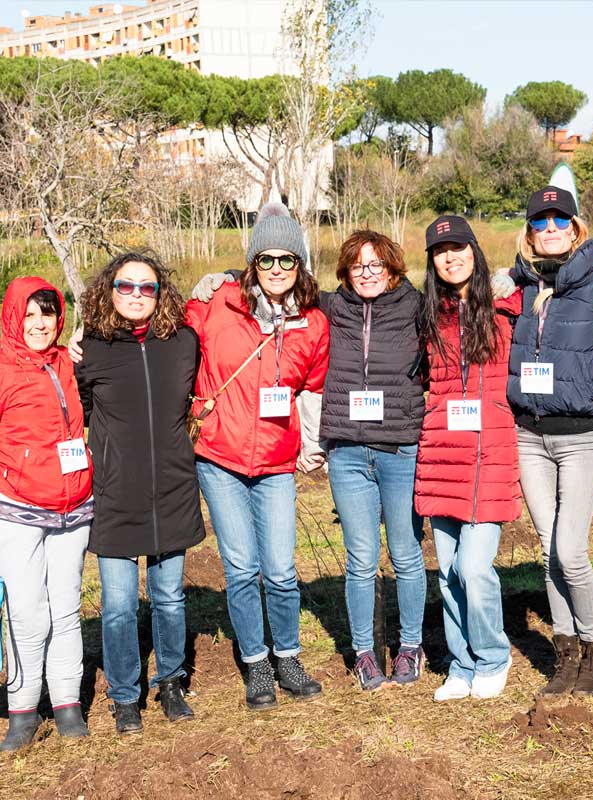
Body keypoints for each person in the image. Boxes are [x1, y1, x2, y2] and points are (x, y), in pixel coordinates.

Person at [186, 203, 329, 710]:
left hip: (275, 459)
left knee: (281, 568)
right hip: (219, 454)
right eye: (264, 259)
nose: (274, 270)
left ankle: (287, 655)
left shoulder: (312, 322)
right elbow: (161, 334)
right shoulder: (218, 303)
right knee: (242, 567)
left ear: (300, 265)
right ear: (250, 263)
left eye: (286, 260)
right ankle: (256, 662)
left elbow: (311, 388)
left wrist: (312, 445)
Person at [74, 252, 205, 735]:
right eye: (125, 286)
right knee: (119, 605)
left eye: (146, 288)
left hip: (172, 486)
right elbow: (75, 411)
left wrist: (219, 280)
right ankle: (125, 695)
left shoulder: (183, 343)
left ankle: (171, 680)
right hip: (115, 494)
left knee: (170, 598)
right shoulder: (90, 348)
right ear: (109, 290)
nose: (135, 296)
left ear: (160, 293)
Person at [501, 185, 593, 696]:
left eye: (558, 221)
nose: (550, 230)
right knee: (547, 552)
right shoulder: (517, 285)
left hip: (580, 436)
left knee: (570, 550)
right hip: (529, 436)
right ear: (529, 231)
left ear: (575, 226)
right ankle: (565, 654)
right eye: (540, 222)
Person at [416, 215, 522, 702]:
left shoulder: (504, 307)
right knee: (450, 571)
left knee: (475, 568)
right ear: (432, 261)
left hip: (489, 453)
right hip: (442, 456)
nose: (450, 256)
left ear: (475, 252)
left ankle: (493, 656)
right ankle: (461, 663)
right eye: (440, 251)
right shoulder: (428, 316)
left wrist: (512, 276)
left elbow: (545, 279)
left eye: (459, 247)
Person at [321, 231, 427, 691]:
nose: (367, 273)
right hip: (347, 451)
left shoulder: (416, 306)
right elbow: (272, 289)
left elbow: (466, 302)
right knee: (360, 559)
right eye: (358, 266)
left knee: (406, 554)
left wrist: (504, 281)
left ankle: (410, 646)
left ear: (393, 269)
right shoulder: (330, 307)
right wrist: (220, 280)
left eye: (376, 265)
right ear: (345, 271)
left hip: (401, 447)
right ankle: (364, 653)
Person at [0, 277, 93, 750]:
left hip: (74, 507)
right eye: (30, 314)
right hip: (17, 508)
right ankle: (21, 708)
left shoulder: (65, 360)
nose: (40, 323)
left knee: (66, 608)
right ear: (15, 316)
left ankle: (66, 703)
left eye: (48, 313)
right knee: (27, 611)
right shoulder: (2, 365)